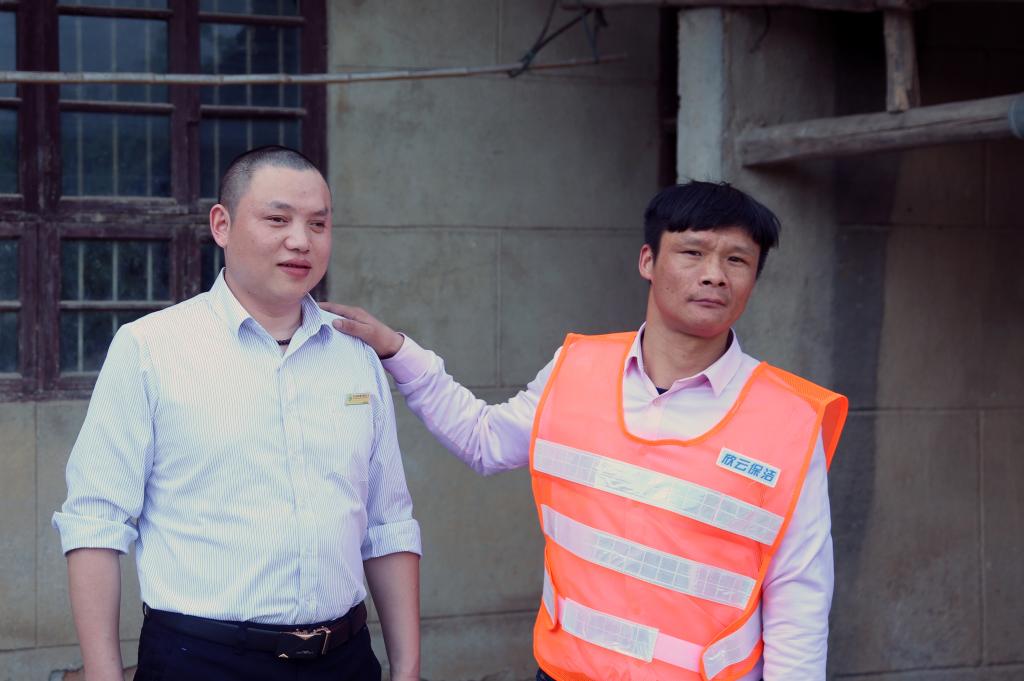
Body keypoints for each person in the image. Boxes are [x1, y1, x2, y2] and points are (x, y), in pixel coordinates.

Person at [321, 181, 848, 681]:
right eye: (693, 252)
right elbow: (484, 440)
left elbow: (798, 602)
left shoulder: (789, 419)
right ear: (648, 261)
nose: (714, 274)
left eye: (737, 260)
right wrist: (397, 350)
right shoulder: (576, 369)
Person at [53, 146, 421, 681]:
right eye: (278, 219)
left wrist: (407, 669)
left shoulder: (355, 354)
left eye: (318, 224)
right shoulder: (151, 348)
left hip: (343, 658)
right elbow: (95, 523)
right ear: (221, 225)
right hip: (202, 660)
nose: (301, 240)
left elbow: (388, 524)